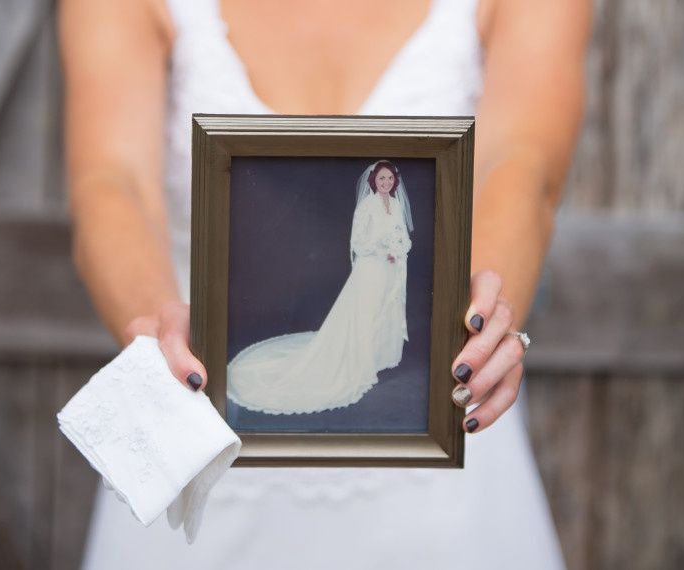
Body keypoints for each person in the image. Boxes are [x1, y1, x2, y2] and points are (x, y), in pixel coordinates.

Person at [60, 0, 590, 567]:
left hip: (443, 463)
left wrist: (481, 321)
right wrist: (153, 327)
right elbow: (112, 183)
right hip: (195, 432)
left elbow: (521, 167)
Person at [227, 160, 413, 415]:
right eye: (381, 179)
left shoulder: (395, 203)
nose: (385, 183)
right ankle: (359, 362)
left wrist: (397, 250)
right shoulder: (368, 206)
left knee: (384, 309)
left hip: (389, 269)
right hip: (371, 268)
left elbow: (402, 235)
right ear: (373, 181)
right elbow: (359, 241)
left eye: (389, 179)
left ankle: (378, 356)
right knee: (365, 313)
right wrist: (383, 248)